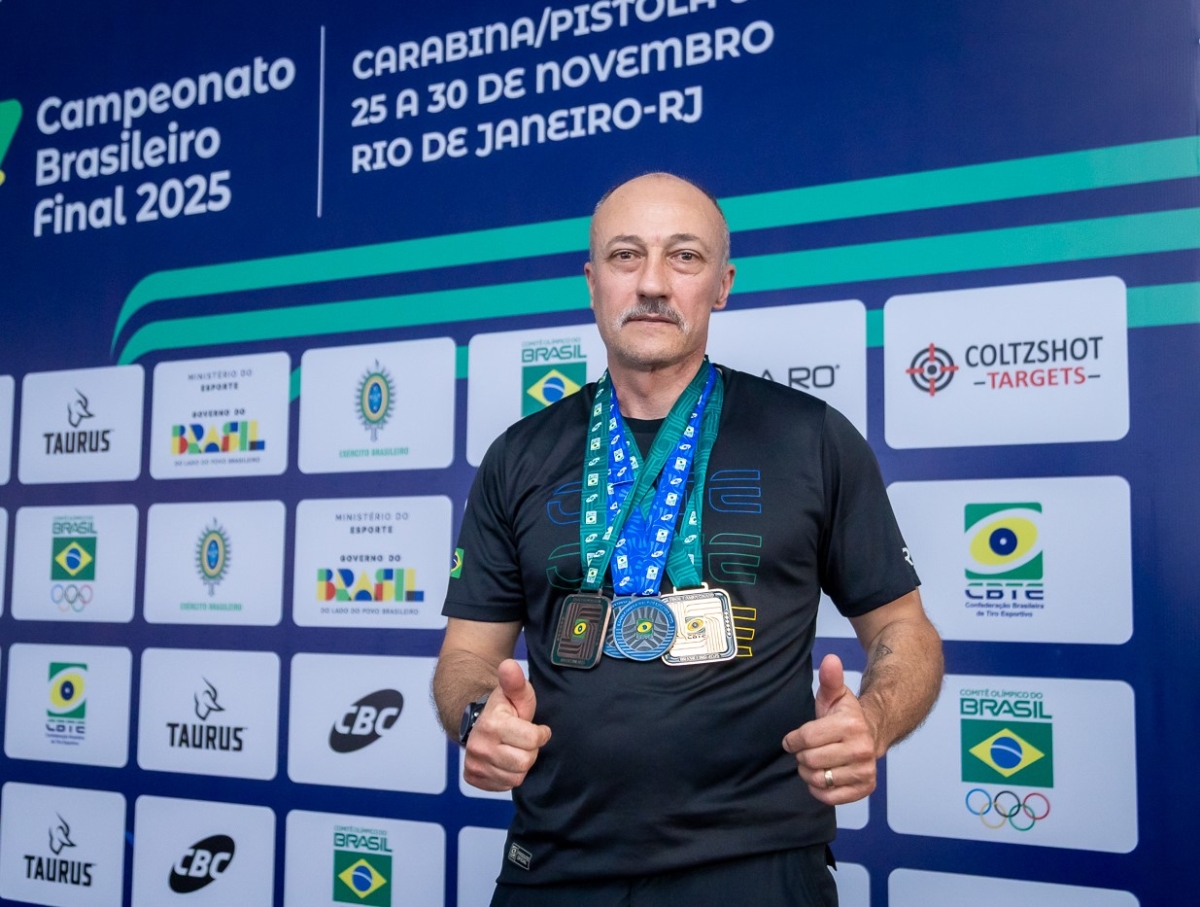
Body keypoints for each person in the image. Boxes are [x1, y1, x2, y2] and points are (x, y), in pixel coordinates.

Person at [434, 172, 944, 906]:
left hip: (760, 865)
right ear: (592, 282)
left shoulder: (811, 438)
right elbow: (465, 657)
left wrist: (874, 718)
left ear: (722, 284)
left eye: (684, 256)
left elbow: (904, 628)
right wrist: (477, 716)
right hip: (554, 865)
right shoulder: (517, 455)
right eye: (625, 256)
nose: (651, 283)